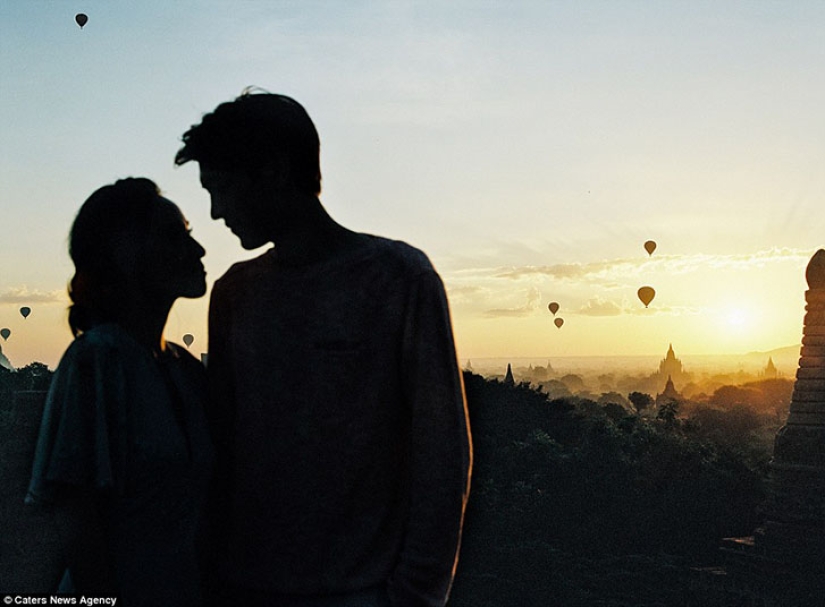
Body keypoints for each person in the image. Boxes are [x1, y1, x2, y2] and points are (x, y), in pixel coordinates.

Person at [175, 91, 472, 607]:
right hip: (243, 586)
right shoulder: (235, 295)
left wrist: (414, 594)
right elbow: (225, 447)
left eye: (221, 188)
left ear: (271, 171)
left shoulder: (397, 279)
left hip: (361, 590)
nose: (216, 212)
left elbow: (441, 449)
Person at [25, 178, 214, 605]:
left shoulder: (182, 371)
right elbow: (78, 520)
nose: (199, 250)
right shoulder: (99, 359)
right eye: (175, 236)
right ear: (126, 257)